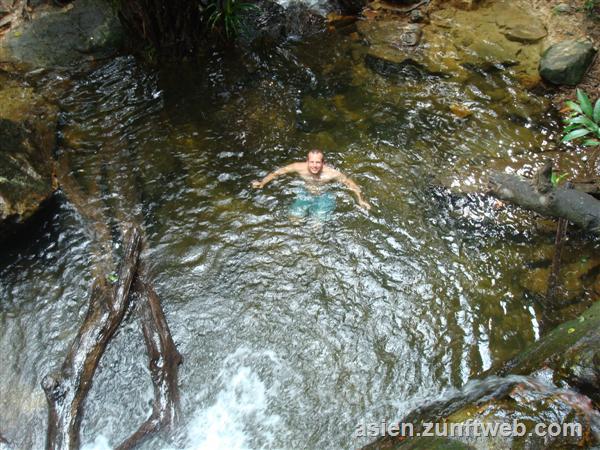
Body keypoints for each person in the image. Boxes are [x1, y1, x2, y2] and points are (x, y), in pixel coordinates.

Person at [251, 149, 371, 217]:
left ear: (323, 163)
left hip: (324, 195)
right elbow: (277, 173)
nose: (314, 165)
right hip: (305, 192)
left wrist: (360, 200)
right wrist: (263, 183)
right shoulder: (298, 167)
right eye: (312, 162)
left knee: (317, 227)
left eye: (318, 162)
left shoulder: (332, 173)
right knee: (294, 219)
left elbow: (350, 184)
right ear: (307, 161)